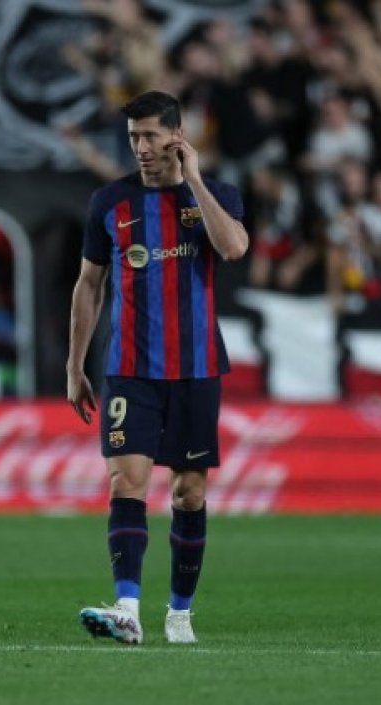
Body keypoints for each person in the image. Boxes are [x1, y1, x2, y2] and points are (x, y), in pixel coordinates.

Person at [67, 90, 248, 645]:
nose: (141, 148)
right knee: (126, 481)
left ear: (177, 135)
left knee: (188, 493)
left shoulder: (216, 195)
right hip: (130, 369)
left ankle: (179, 615)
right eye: (133, 138)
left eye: (150, 136)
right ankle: (128, 610)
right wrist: (75, 365)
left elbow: (234, 248)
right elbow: (89, 285)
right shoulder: (110, 202)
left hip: (195, 368)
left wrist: (194, 180)